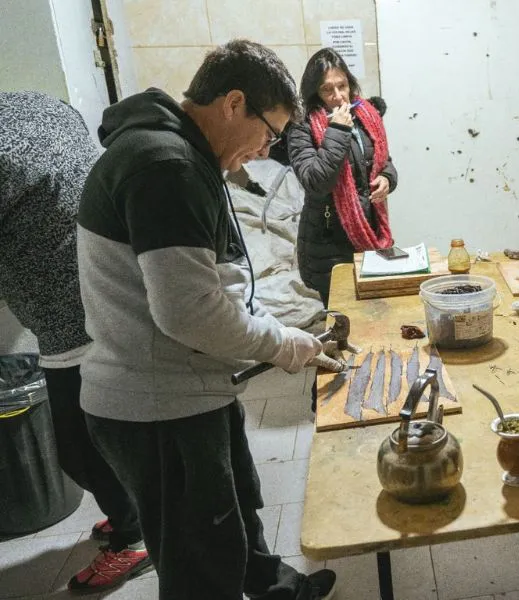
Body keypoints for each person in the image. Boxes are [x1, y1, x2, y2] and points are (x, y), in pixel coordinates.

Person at [77, 40, 343, 599]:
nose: (267, 148)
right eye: (269, 133)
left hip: (193, 385)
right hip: (160, 404)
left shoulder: (185, 154)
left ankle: (278, 590)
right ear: (233, 103)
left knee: (236, 511)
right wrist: (283, 345)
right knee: (202, 563)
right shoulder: (166, 166)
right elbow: (190, 314)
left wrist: (279, 329)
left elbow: (215, 280)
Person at [0, 91, 151, 593]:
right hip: (109, 285)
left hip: (74, 317)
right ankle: (135, 511)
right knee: (112, 429)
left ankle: (134, 536)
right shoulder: (39, 103)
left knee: (79, 449)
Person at [288, 47, 398, 308]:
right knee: (343, 317)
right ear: (315, 92)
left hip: (370, 234)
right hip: (329, 244)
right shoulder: (302, 126)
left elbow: (384, 161)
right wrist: (337, 129)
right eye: (327, 89)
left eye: (342, 86)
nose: (338, 96)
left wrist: (386, 178)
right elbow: (316, 181)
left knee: (377, 313)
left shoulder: (366, 115)